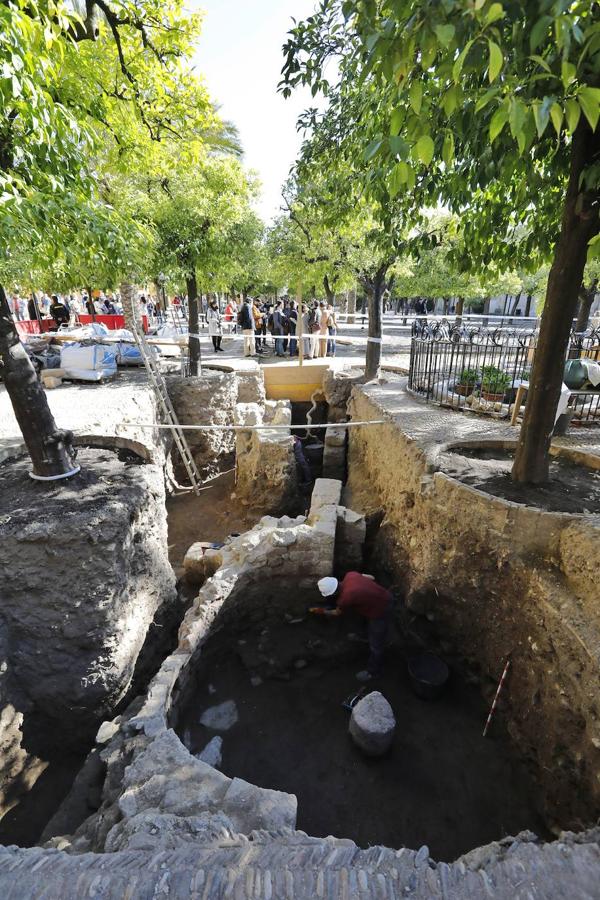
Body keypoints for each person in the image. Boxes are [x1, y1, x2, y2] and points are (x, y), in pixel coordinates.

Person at [313, 572, 393, 681]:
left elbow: (337, 613)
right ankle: (364, 636)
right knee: (364, 619)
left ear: (333, 593)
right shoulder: (350, 575)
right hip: (384, 595)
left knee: (376, 645)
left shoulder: (345, 598)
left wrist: (323, 611)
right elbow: (372, 577)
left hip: (381, 609)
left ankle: (373, 672)